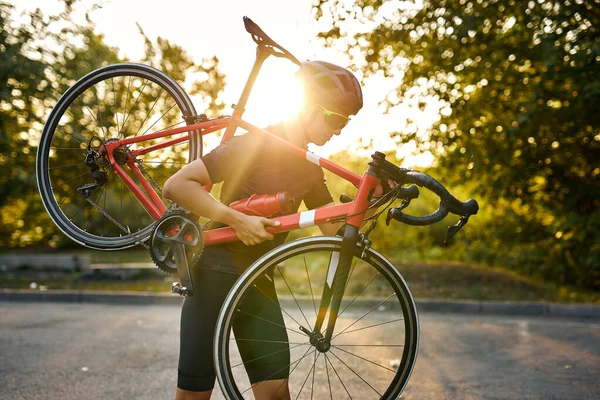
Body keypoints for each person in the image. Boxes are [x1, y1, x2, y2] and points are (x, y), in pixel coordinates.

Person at [163, 61, 367, 400]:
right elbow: (178, 185)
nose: (340, 129)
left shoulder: (309, 169)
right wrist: (236, 219)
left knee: (275, 394)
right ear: (307, 107)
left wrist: (374, 198)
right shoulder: (254, 144)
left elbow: (331, 226)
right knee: (194, 395)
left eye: (346, 122)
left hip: (258, 282)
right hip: (213, 276)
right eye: (336, 118)